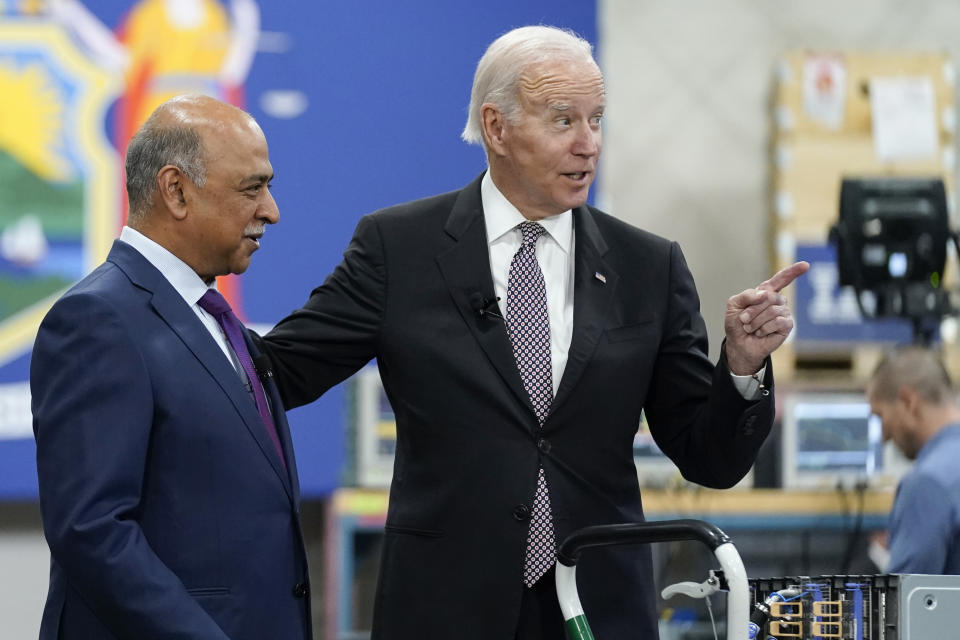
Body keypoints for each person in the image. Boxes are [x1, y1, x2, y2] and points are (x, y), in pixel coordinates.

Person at [256, 26, 808, 639]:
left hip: (598, 608)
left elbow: (710, 458)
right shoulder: (399, 249)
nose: (588, 145)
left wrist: (740, 366)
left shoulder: (648, 267)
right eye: (563, 120)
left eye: (596, 120)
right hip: (444, 608)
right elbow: (281, 372)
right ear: (496, 127)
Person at [31, 94, 312, 639]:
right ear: (176, 190)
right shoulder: (97, 319)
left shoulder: (215, 318)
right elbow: (92, 531)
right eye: (252, 188)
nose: (271, 210)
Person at [867, 346, 960, 574]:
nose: (884, 436)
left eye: (881, 416)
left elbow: (907, 602)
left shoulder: (927, 483)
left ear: (908, 401)